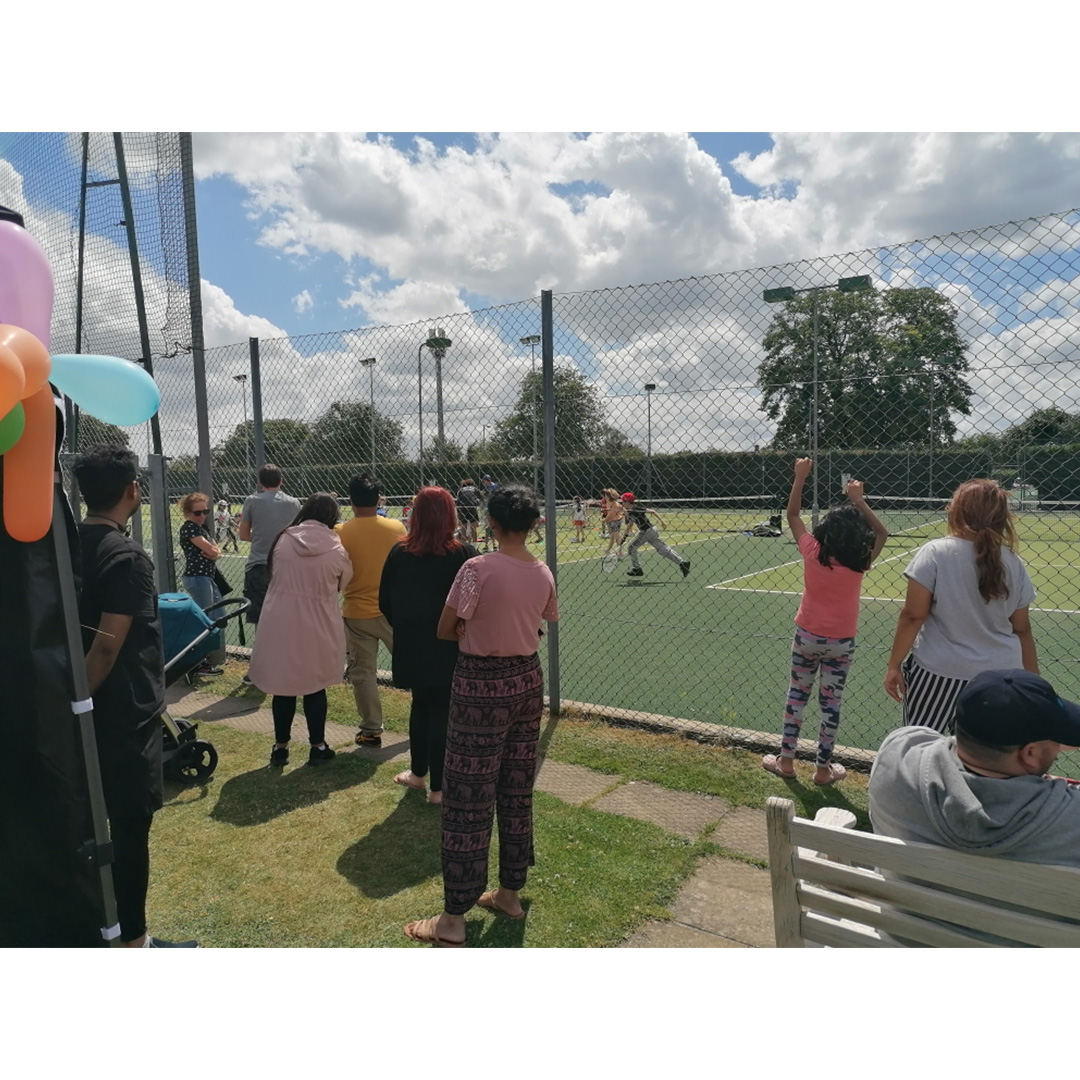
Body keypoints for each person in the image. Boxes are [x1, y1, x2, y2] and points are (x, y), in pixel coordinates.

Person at [404, 484, 558, 947]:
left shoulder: (477, 568)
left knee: (468, 797)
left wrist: (476, 626)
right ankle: (509, 892)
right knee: (515, 787)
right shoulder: (543, 571)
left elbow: (446, 627)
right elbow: (541, 620)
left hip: (481, 684)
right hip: (527, 680)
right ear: (533, 524)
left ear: (491, 521)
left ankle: (453, 917)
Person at [75, 445, 197, 947]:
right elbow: (106, 648)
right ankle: (132, 940)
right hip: (120, 712)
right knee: (128, 827)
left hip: (87, 707)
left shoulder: (64, 543)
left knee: (84, 820)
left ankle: (97, 923)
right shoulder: (125, 557)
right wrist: (76, 704)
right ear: (132, 491)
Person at [870, 669, 1080, 869]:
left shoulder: (897, 755)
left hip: (904, 905)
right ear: (1030, 754)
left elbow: (950, 743)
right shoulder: (1070, 818)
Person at [762, 459, 888, 785]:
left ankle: (786, 762)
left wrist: (800, 477)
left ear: (825, 530)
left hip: (807, 636)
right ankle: (822, 769)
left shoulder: (812, 551)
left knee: (796, 697)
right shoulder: (860, 561)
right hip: (841, 643)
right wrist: (858, 499)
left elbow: (792, 516)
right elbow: (882, 532)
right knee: (831, 704)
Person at [884, 478, 1038, 732]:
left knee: (920, 746)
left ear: (956, 511)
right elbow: (1021, 628)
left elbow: (913, 615)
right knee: (983, 756)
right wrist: (1033, 681)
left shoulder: (935, 552)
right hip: (1000, 676)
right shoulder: (1013, 562)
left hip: (938, 671)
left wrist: (894, 665)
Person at [379, 487, 480, 804]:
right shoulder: (464, 555)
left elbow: (385, 602)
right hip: (450, 646)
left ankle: (419, 775)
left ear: (416, 516)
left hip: (412, 645)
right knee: (443, 710)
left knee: (421, 704)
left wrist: (409, 627)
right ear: (451, 516)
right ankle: (438, 786)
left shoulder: (399, 554)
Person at [249, 493, 353, 766]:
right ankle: (317, 746)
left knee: (283, 687)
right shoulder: (337, 549)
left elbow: (272, 572)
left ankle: (280, 747)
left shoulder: (283, 539)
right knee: (315, 686)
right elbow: (344, 580)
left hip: (280, 619)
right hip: (319, 619)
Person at [337, 473, 407, 747]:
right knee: (414, 667)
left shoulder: (340, 531)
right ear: (379, 499)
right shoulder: (396, 527)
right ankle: (431, 715)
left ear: (350, 500)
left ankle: (371, 729)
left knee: (363, 674)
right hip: (393, 611)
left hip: (357, 612)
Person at [239, 464, 301, 630]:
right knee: (286, 617)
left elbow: (243, 534)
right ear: (282, 481)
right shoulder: (294, 503)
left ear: (260, 482)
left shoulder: (252, 500)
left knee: (261, 620)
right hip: (286, 565)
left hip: (258, 565)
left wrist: (261, 537)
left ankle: (263, 654)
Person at [178, 491, 225, 676]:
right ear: (188, 513)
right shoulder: (189, 528)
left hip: (207, 577)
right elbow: (211, 550)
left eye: (205, 511)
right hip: (197, 578)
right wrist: (214, 552)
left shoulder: (202, 528)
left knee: (219, 616)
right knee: (204, 620)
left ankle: (207, 660)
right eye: (197, 513)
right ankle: (198, 663)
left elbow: (215, 551)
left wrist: (215, 552)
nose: (202, 516)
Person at [619, 492, 690, 578]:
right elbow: (652, 511)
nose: (622, 504)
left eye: (623, 502)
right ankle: (682, 562)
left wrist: (624, 537)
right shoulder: (637, 508)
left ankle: (637, 569)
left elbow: (630, 525)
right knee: (663, 549)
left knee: (631, 547)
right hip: (652, 529)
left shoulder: (634, 511)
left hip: (646, 531)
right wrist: (662, 521)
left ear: (627, 502)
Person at [599, 488, 624, 558]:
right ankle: (608, 550)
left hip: (615, 522)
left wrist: (604, 520)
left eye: (607, 495)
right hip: (611, 521)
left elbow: (611, 514)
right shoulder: (608, 503)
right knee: (612, 537)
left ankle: (620, 553)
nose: (605, 497)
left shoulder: (613, 504)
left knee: (617, 538)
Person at [456, 478, 481, 543]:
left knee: (463, 528)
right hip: (472, 507)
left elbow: (458, 502)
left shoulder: (460, 490)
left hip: (462, 508)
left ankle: (463, 545)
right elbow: (480, 498)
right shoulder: (475, 489)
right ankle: (475, 545)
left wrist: (459, 514)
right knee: (473, 528)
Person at [479, 474, 498, 551]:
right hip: (489, 507)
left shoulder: (494, 487)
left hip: (493, 508)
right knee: (488, 527)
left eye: (484, 481)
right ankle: (490, 545)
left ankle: (492, 545)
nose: (483, 483)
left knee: (490, 527)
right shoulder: (487, 487)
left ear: (487, 480)